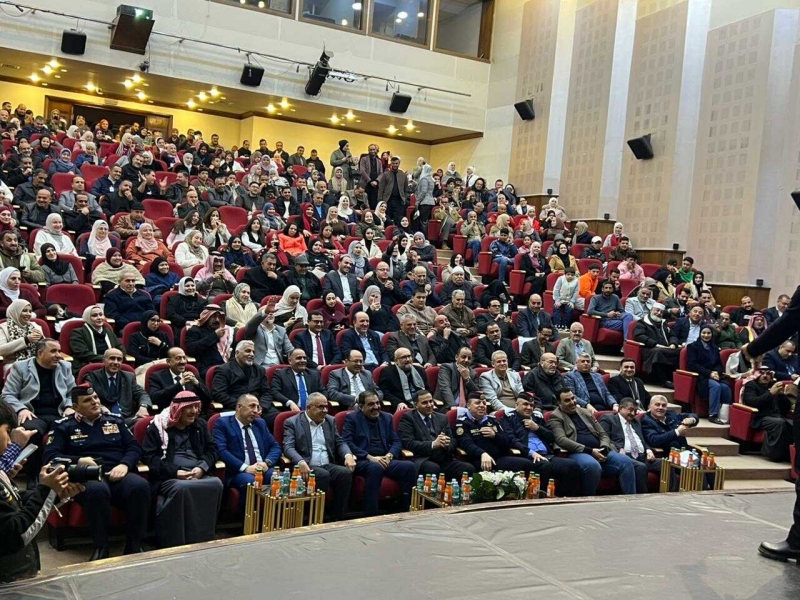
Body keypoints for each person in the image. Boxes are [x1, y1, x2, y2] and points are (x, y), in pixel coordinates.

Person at [44, 385, 150, 560]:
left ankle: (134, 545)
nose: (94, 402)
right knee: (98, 490)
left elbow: (134, 447)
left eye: (95, 398)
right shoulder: (63, 426)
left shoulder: (115, 421)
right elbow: (51, 456)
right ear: (76, 407)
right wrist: (78, 460)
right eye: (87, 400)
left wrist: (124, 465)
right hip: (86, 475)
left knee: (140, 486)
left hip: (116, 470)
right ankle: (101, 547)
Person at [0, 399, 82, 582]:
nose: (10, 442)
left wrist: (54, 494)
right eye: (7, 431)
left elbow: (15, 504)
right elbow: (16, 534)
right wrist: (45, 490)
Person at [142, 391, 224, 548]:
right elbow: (149, 458)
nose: (194, 411)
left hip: (197, 473)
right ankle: (176, 540)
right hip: (170, 477)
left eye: (196, 407)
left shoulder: (199, 425)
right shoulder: (158, 427)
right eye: (190, 407)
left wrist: (202, 467)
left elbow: (213, 450)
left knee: (216, 483)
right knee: (182, 487)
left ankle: (203, 537)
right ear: (178, 409)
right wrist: (176, 472)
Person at [282, 392, 356, 520]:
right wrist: (300, 462)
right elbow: (288, 447)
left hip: (328, 464)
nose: (325, 410)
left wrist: (348, 455)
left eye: (326, 407)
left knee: (345, 473)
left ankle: (338, 517)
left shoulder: (330, 421)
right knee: (323, 475)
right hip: (307, 465)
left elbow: (339, 442)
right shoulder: (292, 422)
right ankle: (314, 517)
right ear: (309, 407)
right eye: (321, 407)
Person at [548, 390, 637, 495]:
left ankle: (630, 499)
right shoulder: (556, 416)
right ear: (559, 403)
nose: (572, 402)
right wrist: (590, 451)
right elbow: (561, 440)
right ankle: (589, 500)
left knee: (626, 462)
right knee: (592, 465)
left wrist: (604, 447)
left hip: (600, 450)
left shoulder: (585, 412)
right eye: (567, 400)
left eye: (573, 398)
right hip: (577, 452)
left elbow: (603, 434)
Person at [342, 390, 417, 516]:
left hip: (384, 458)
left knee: (409, 467)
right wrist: (369, 457)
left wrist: (389, 455)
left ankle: (404, 510)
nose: (376, 407)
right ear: (361, 406)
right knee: (375, 467)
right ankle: (371, 514)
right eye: (371, 404)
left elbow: (396, 441)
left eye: (377, 403)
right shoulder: (352, 418)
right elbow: (347, 442)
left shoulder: (387, 417)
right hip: (363, 460)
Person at [499, 396, 582, 496]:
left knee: (572, 465)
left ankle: (563, 498)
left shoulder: (537, 418)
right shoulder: (508, 418)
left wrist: (537, 428)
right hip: (527, 456)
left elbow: (551, 437)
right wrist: (531, 453)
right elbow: (512, 440)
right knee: (544, 466)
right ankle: (541, 498)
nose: (529, 407)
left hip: (547, 455)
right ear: (516, 405)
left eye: (531, 405)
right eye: (525, 404)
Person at [212, 394, 281, 511]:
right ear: (239, 407)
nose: (256, 411)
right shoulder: (223, 423)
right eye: (252, 406)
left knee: (280, 478)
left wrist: (267, 463)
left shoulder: (260, 423)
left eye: (258, 407)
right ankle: (247, 519)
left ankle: (274, 517)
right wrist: (246, 468)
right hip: (238, 471)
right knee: (250, 482)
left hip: (263, 468)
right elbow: (221, 451)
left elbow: (275, 446)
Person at [398, 390, 475, 481]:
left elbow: (453, 441)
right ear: (416, 405)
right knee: (433, 468)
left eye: (431, 401)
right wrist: (433, 444)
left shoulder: (442, 417)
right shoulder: (408, 418)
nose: (429, 405)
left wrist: (446, 444)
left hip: (444, 458)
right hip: (423, 459)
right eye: (424, 403)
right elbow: (409, 443)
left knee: (468, 468)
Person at [454, 393, 533, 475]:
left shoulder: (492, 420)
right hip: (477, 459)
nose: (482, 406)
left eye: (484, 403)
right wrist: (482, 454)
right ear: (468, 405)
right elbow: (466, 443)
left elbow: (507, 442)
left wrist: (495, 435)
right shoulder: (461, 423)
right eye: (477, 403)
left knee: (526, 464)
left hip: (498, 459)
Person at [599, 398, 661, 493]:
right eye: (630, 410)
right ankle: (642, 499)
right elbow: (604, 438)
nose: (633, 413)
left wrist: (648, 450)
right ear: (620, 408)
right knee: (641, 467)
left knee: (666, 464)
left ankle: (672, 495)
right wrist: (619, 448)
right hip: (625, 456)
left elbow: (642, 439)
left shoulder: (636, 421)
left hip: (642, 457)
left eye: (635, 411)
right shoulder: (608, 419)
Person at [741, 369, 797, 462]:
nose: (765, 376)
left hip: (778, 416)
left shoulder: (774, 386)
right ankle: (773, 454)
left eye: (768, 374)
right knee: (780, 423)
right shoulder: (751, 385)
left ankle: (789, 455)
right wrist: (770, 393)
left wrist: (781, 395)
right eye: (762, 373)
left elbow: (786, 407)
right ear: (757, 375)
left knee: (794, 424)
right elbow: (752, 402)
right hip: (760, 417)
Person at [687, 324, 732, 424]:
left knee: (726, 387)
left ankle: (724, 415)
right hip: (701, 376)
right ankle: (713, 414)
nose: (706, 335)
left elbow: (719, 364)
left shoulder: (715, 348)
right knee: (716, 386)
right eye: (704, 333)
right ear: (700, 333)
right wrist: (709, 373)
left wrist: (716, 372)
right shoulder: (692, 346)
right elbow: (692, 365)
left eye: (708, 333)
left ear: (712, 334)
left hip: (714, 375)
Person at [633, 304, 680, 386]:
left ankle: (673, 379)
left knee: (680, 352)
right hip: (649, 348)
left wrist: (673, 344)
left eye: (661, 312)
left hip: (666, 348)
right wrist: (655, 344)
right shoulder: (642, 322)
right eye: (657, 310)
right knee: (658, 352)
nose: (659, 313)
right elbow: (639, 336)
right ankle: (663, 380)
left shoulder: (664, 323)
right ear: (651, 310)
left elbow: (672, 336)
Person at [69, 304, 124, 375]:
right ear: (87, 318)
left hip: (111, 365)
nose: (99, 318)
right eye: (95, 315)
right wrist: (107, 359)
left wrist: (114, 358)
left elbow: (120, 348)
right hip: (87, 365)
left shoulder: (108, 331)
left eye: (101, 315)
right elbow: (82, 354)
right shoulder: (78, 333)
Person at [186, 305, 232, 378]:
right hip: (207, 366)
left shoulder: (227, 331)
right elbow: (191, 349)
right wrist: (214, 336)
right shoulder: (195, 330)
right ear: (206, 317)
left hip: (227, 365)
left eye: (219, 317)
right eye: (213, 316)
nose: (217, 320)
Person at [378, 347, 428, 411]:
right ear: (396, 360)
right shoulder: (387, 372)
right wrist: (398, 403)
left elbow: (428, 389)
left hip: (422, 404)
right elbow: (385, 392)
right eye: (404, 357)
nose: (408, 359)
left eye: (409, 356)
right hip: (402, 406)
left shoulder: (420, 370)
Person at [0, 300, 43, 367]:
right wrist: (26, 340)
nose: (28, 314)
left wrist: (42, 339)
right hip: (13, 364)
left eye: (30, 311)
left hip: (36, 362)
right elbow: (1, 350)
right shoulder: (3, 328)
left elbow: (46, 348)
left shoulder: (35, 326)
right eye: (24, 311)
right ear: (15, 311)